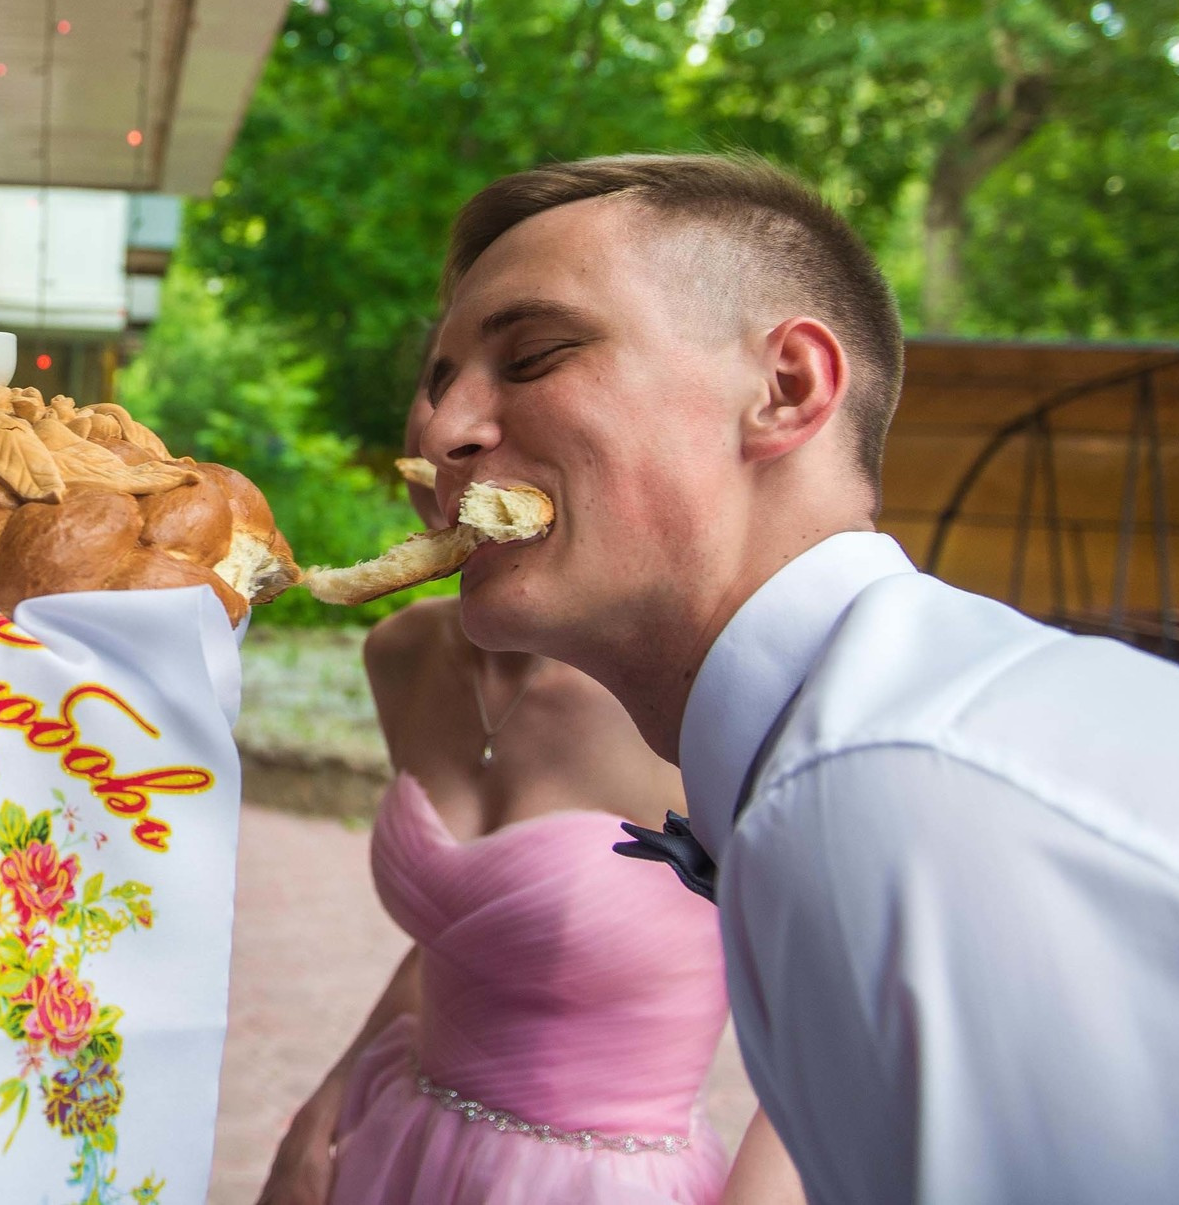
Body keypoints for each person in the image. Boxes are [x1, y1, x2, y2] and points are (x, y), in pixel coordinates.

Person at [418, 153, 1179, 1204]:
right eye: (438, 381)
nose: (441, 430)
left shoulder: (886, 790)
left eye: (533, 355)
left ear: (785, 389)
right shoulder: (862, 738)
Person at [259, 411, 800, 1205]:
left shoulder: (710, 692)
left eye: (528, 360)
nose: (459, 425)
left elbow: (841, 1038)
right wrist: (330, 1099)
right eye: (439, 379)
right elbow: (474, 938)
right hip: (400, 1144)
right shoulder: (403, 656)